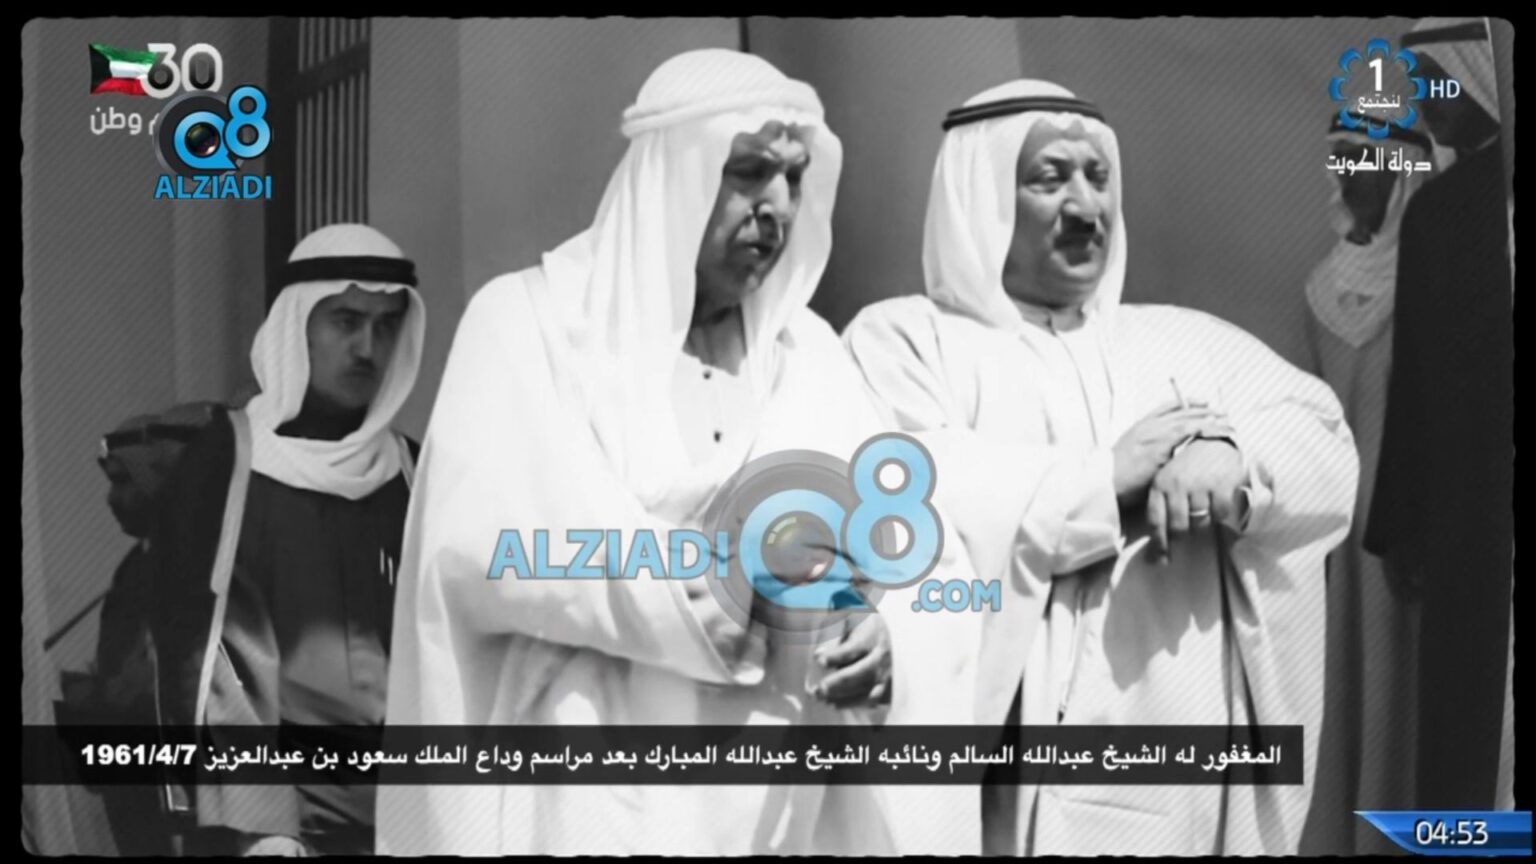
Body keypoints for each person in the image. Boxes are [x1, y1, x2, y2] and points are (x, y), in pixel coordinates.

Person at [379, 49, 980, 856]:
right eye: (749, 172)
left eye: (794, 178)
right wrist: (709, 588)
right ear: (674, 176)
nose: (777, 205)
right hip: (592, 798)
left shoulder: (812, 356)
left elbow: (918, 550)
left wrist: (891, 637)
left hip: (781, 813)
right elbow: (478, 545)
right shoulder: (531, 324)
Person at [844, 79, 1357, 855]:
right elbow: (909, 492)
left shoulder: (1183, 343)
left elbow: (1320, 432)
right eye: (1050, 178)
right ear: (981, 194)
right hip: (1005, 789)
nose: (1086, 206)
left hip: (1175, 786)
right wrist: (1101, 482)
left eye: (1099, 176)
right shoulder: (907, 343)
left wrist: (1232, 459)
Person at [149, 223, 427, 856]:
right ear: (297, 324)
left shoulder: (412, 471)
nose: (368, 348)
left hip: (405, 813)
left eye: (387, 326)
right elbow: (211, 652)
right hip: (276, 825)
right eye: (346, 321)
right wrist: (261, 827)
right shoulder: (227, 460)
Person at [1365, 16, 1514, 813]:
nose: (1424, 105)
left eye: (1435, 85)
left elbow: (1414, 388)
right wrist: (1406, 523)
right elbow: (1416, 381)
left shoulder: (1447, 212)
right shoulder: (1437, 212)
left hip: (1467, 514)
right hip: (1467, 515)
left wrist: (1405, 523)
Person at [1299, 112, 1434, 855]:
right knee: (1346, 678)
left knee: (1411, 680)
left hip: (1412, 524)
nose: (1350, 175)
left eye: (1367, 159)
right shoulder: (1322, 288)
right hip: (1340, 535)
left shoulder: (1436, 280)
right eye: (1342, 158)